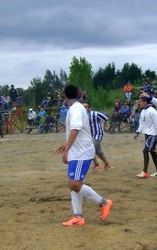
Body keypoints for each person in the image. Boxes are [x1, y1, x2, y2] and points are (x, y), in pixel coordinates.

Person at [56, 84, 113, 227]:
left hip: (82, 152)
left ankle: (104, 203)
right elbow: (74, 131)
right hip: (78, 151)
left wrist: (67, 149)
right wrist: (67, 146)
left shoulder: (75, 108)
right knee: (73, 184)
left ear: (65, 96)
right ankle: (78, 216)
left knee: (75, 184)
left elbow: (76, 128)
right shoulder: (76, 108)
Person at [134, 96, 157, 178]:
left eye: (141, 101)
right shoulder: (143, 112)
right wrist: (137, 132)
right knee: (153, 152)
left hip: (153, 135)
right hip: (147, 135)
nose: (139, 103)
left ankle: (144, 172)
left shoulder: (152, 111)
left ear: (145, 102)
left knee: (145, 151)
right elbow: (141, 124)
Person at [83, 102, 112, 172]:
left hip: (97, 135)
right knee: (98, 152)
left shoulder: (95, 114)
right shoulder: (82, 116)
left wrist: (105, 126)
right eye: (82, 107)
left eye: (85, 107)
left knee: (89, 149)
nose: (83, 108)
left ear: (89, 108)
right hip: (90, 136)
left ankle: (96, 165)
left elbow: (105, 118)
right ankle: (107, 164)